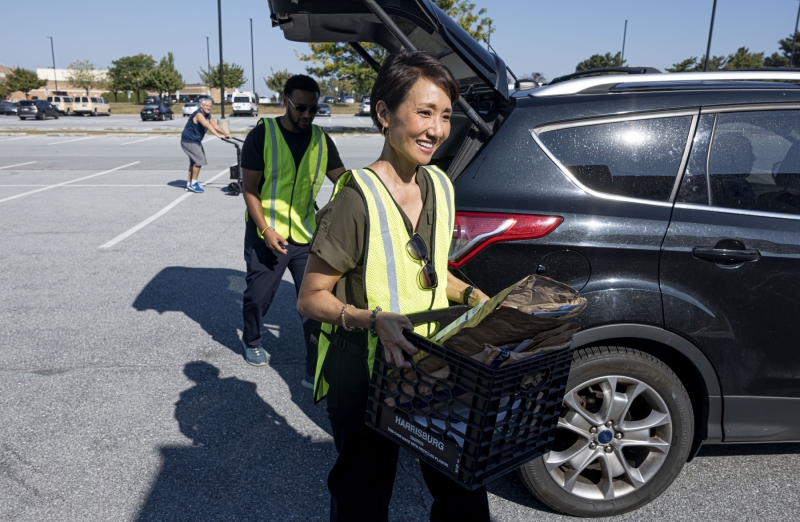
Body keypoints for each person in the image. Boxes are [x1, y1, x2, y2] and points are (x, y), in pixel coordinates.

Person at [296, 51, 491, 522]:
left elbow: (428, 274)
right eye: (424, 112)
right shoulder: (356, 198)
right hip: (363, 370)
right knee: (363, 496)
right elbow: (310, 297)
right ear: (384, 113)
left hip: (431, 363)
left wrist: (476, 298)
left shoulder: (440, 185)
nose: (437, 129)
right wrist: (372, 320)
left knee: (463, 492)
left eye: (445, 115)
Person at [240, 75, 346, 388]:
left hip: (306, 234)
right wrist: (265, 229)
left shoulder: (321, 139)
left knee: (315, 302)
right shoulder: (263, 135)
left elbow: (343, 180)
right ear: (285, 100)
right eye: (300, 108)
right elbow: (249, 189)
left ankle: (313, 370)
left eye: (314, 109)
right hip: (267, 234)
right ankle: (253, 340)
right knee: (258, 297)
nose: (307, 115)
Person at [180, 97, 230, 193]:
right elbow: (207, 125)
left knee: (194, 163)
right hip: (189, 141)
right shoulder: (198, 114)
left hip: (195, 141)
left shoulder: (207, 115)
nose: (209, 107)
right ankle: (194, 184)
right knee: (199, 160)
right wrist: (218, 135)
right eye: (207, 105)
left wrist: (225, 133)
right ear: (201, 105)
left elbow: (215, 125)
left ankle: (189, 184)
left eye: (210, 106)